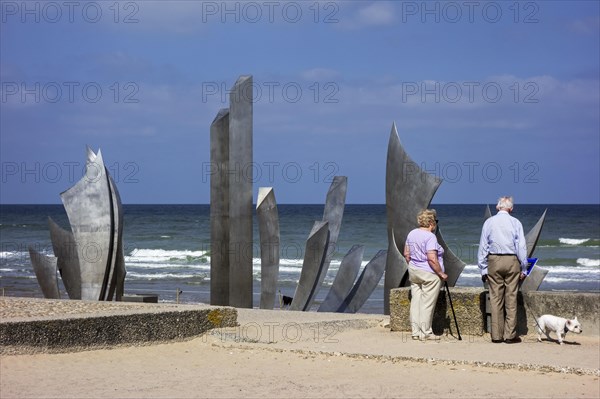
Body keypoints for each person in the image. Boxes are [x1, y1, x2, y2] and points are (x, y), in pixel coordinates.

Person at [478, 196, 528, 344]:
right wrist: (524, 267)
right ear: (511, 209)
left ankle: (496, 335)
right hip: (512, 260)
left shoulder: (489, 222)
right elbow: (521, 247)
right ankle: (510, 335)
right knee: (511, 298)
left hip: (494, 260)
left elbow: (483, 246)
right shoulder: (516, 222)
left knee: (495, 299)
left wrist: (483, 268)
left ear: (497, 207)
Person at [404, 209, 448, 341]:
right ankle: (426, 332)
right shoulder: (430, 237)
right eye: (435, 222)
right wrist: (441, 273)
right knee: (427, 304)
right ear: (431, 222)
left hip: (414, 271)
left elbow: (407, 254)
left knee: (416, 301)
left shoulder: (412, 233)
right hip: (429, 274)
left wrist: (414, 265)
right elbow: (432, 259)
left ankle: (415, 332)